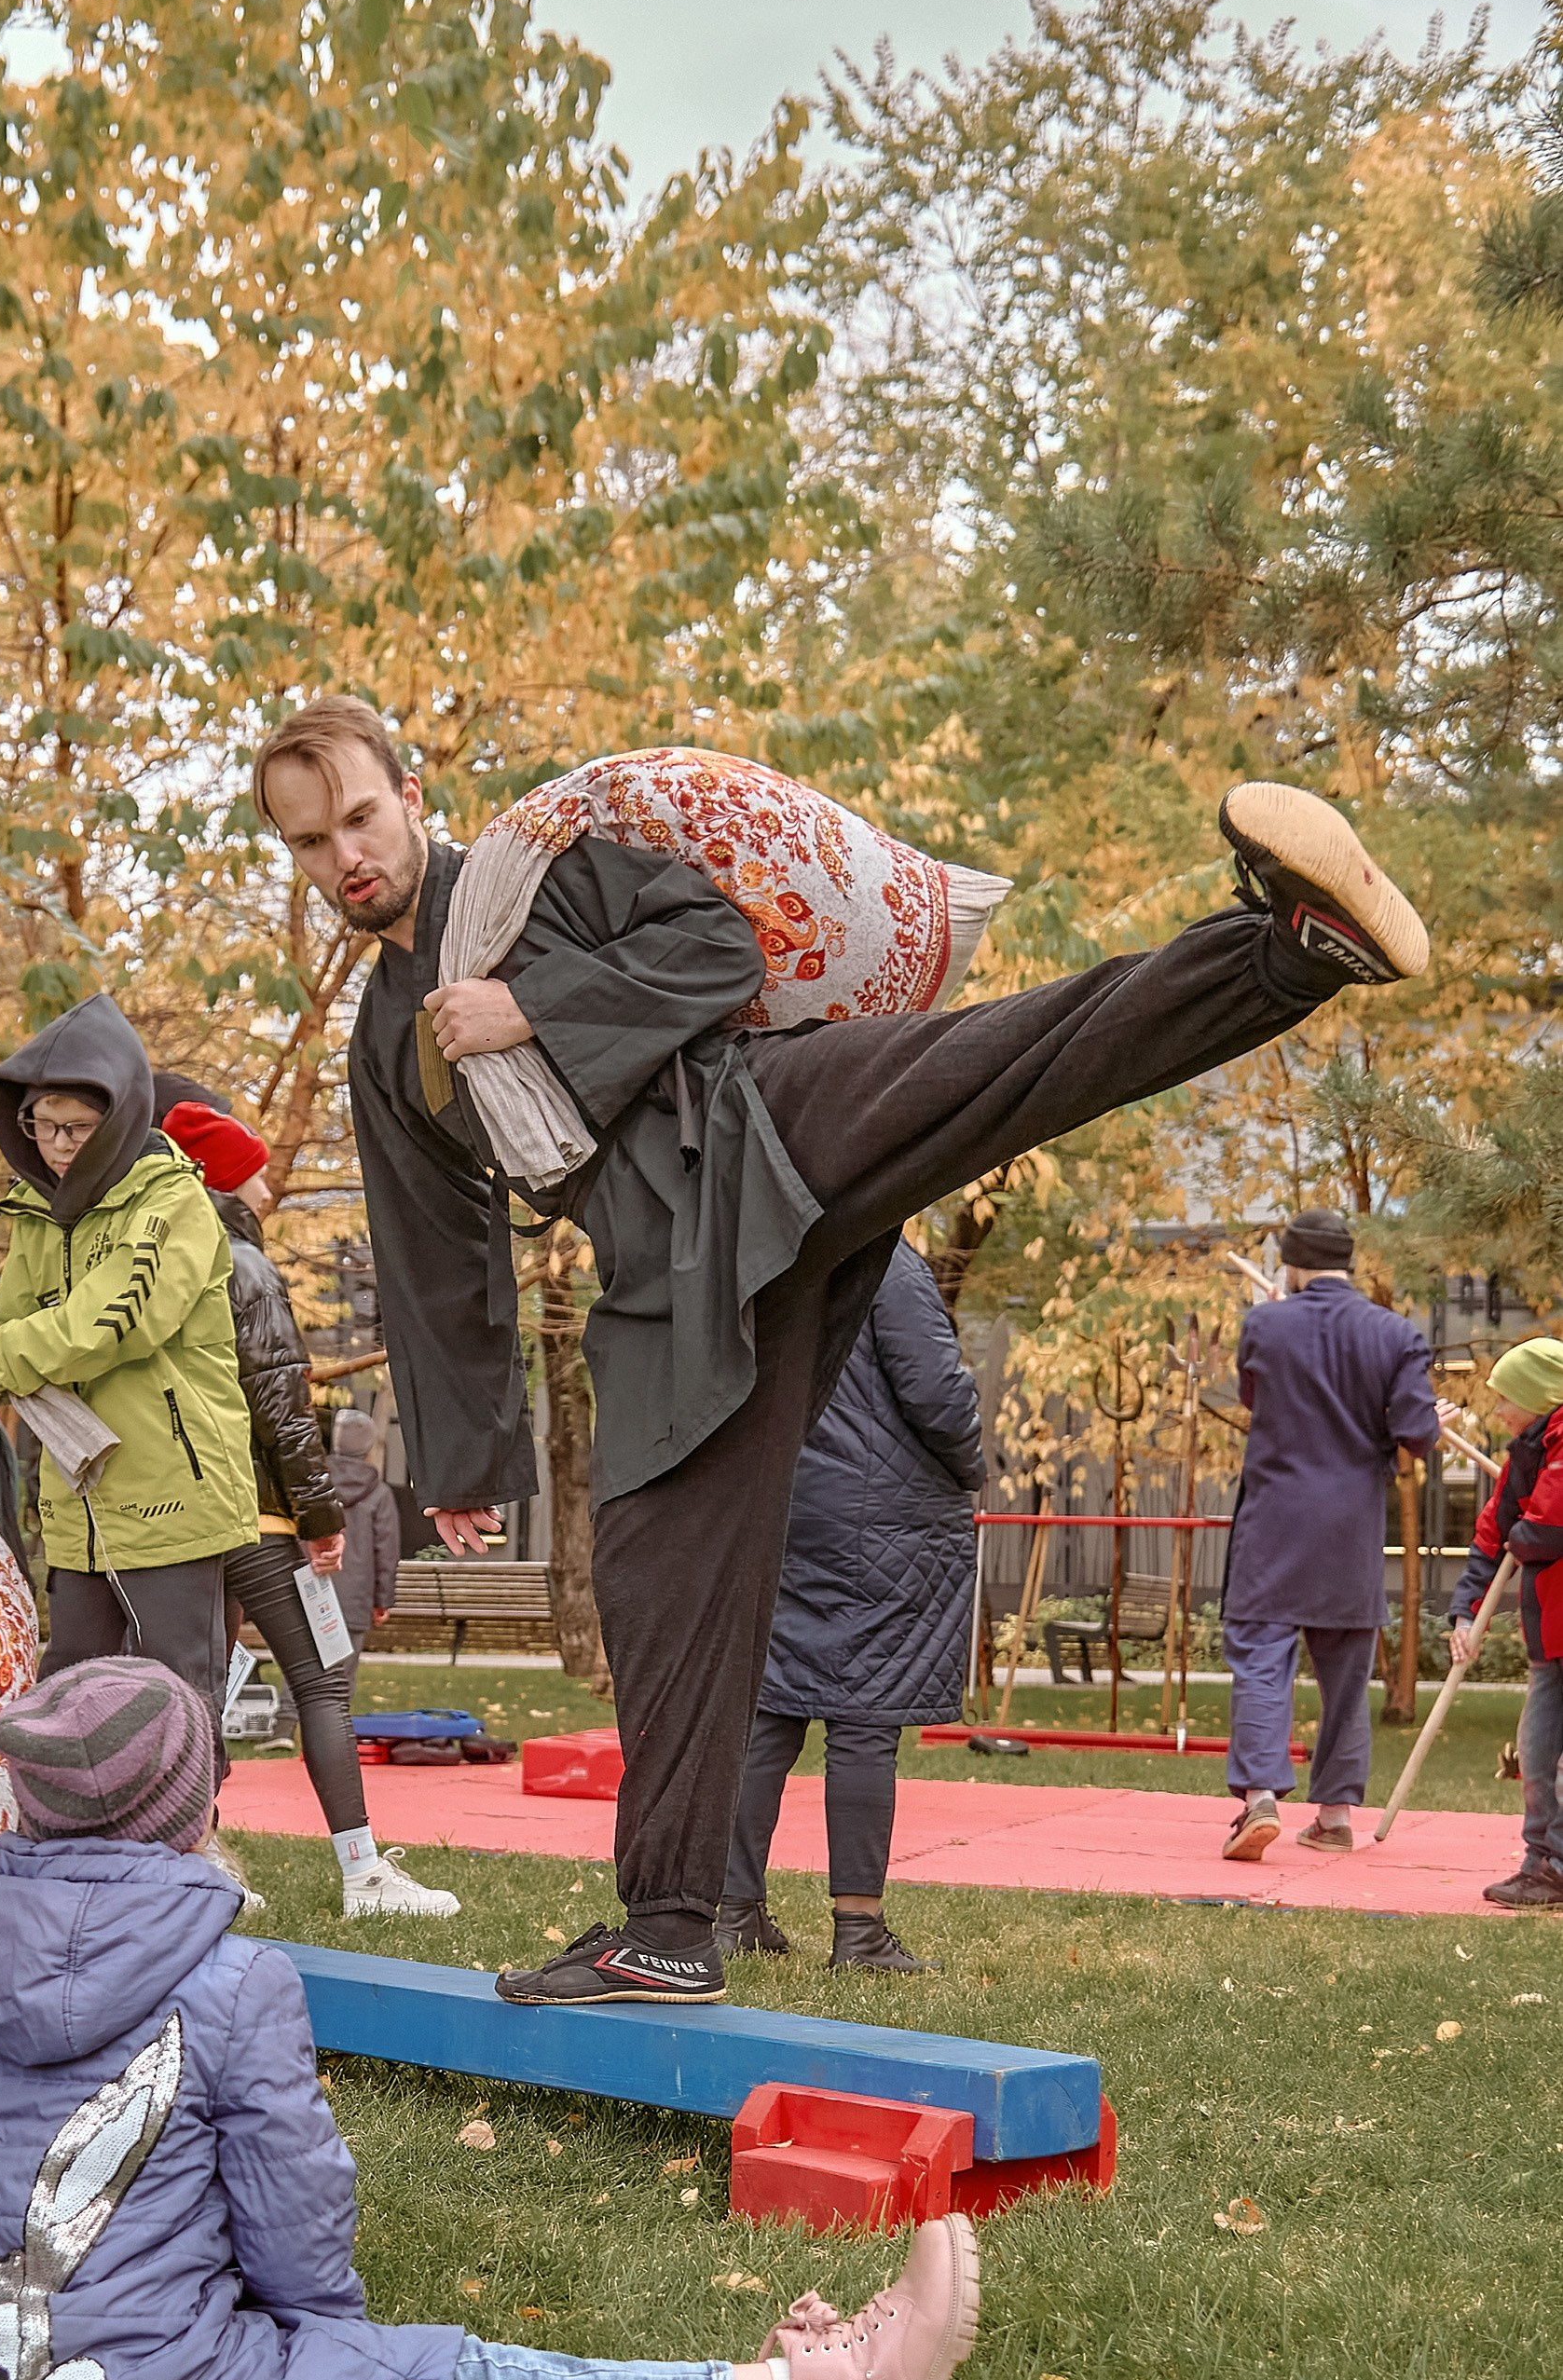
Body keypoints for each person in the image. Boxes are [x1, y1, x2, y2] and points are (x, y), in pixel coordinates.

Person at [251, 695, 1433, 2004]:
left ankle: (1285, 952)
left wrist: (528, 1006)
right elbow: (432, 1249)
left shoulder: (537, 876)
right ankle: (670, 1928)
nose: (344, 856)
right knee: (655, 1582)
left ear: (411, 795)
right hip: (667, 1279)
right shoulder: (386, 1043)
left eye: (358, 816)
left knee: (1004, 1060)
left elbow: (711, 949)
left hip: (760, 1121)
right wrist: (464, 1459)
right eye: (308, 842)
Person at [0, 1656, 981, 2380]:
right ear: (197, 1812)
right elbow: (294, 2231)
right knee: (463, 2379)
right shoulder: (235, 1982)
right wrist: (335, 2352)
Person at [151, 1076, 458, 1921]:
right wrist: (321, 1520)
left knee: (196, 1688)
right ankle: (363, 1877)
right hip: (254, 1513)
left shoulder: (158, 1262)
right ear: (221, 1178)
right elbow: (282, 1407)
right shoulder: (243, 1264)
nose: (268, 1186)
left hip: (174, 1515)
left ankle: (195, 1864)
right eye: (253, 1171)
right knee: (321, 1683)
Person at [0, 994, 255, 1723]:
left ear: (122, 1116)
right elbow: (12, 1324)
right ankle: (64, 1808)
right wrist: (4, 1360)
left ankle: (188, 1807)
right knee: (68, 1700)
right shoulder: (36, 1214)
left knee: (176, 1701)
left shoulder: (173, 1201)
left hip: (173, 1497)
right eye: (41, 1127)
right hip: (78, 1502)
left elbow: (112, 1321)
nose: (57, 1145)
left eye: (77, 1127)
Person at [719, 1238, 983, 1974]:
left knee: (769, 1709)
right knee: (865, 1716)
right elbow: (935, 1391)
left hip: (781, 1500)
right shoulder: (885, 1257)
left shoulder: (763, 1248)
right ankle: (858, 1928)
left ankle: (733, 1910)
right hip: (887, 1514)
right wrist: (970, 1466)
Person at [1218, 1209, 1440, 1862]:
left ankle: (1260, 1796)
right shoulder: (1394, 1333)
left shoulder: (1264, 1324)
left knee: (1260, 1657)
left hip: (1274, 1520)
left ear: (1291, 1264)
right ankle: (1335, 1817)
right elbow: (1416, 1436)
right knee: (1345, 1672)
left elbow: (1254, 1399)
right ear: (1348, 1262)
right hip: (1350, 1526)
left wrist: (1276, 1325)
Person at [1446, 1336, 1563, 1911]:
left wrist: (1523, 1527)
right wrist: (1465, 1613)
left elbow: (1546, 1531)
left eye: (1504, 1397)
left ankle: (1558, 1867)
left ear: (1537, 1396)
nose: (1497, 1410)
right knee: (1537, 1754)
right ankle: (1540, 1863)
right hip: (1551, 1634)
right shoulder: (1526, 1454)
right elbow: (1496, 1535)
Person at [324, 1411, 405, 1656]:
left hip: (311, 1596)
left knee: (303, 1673)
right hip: (356, 1598)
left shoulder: (314, 1486)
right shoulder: (379, 1494)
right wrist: (382, 1600)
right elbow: (386, 1552)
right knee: (344, 1674)